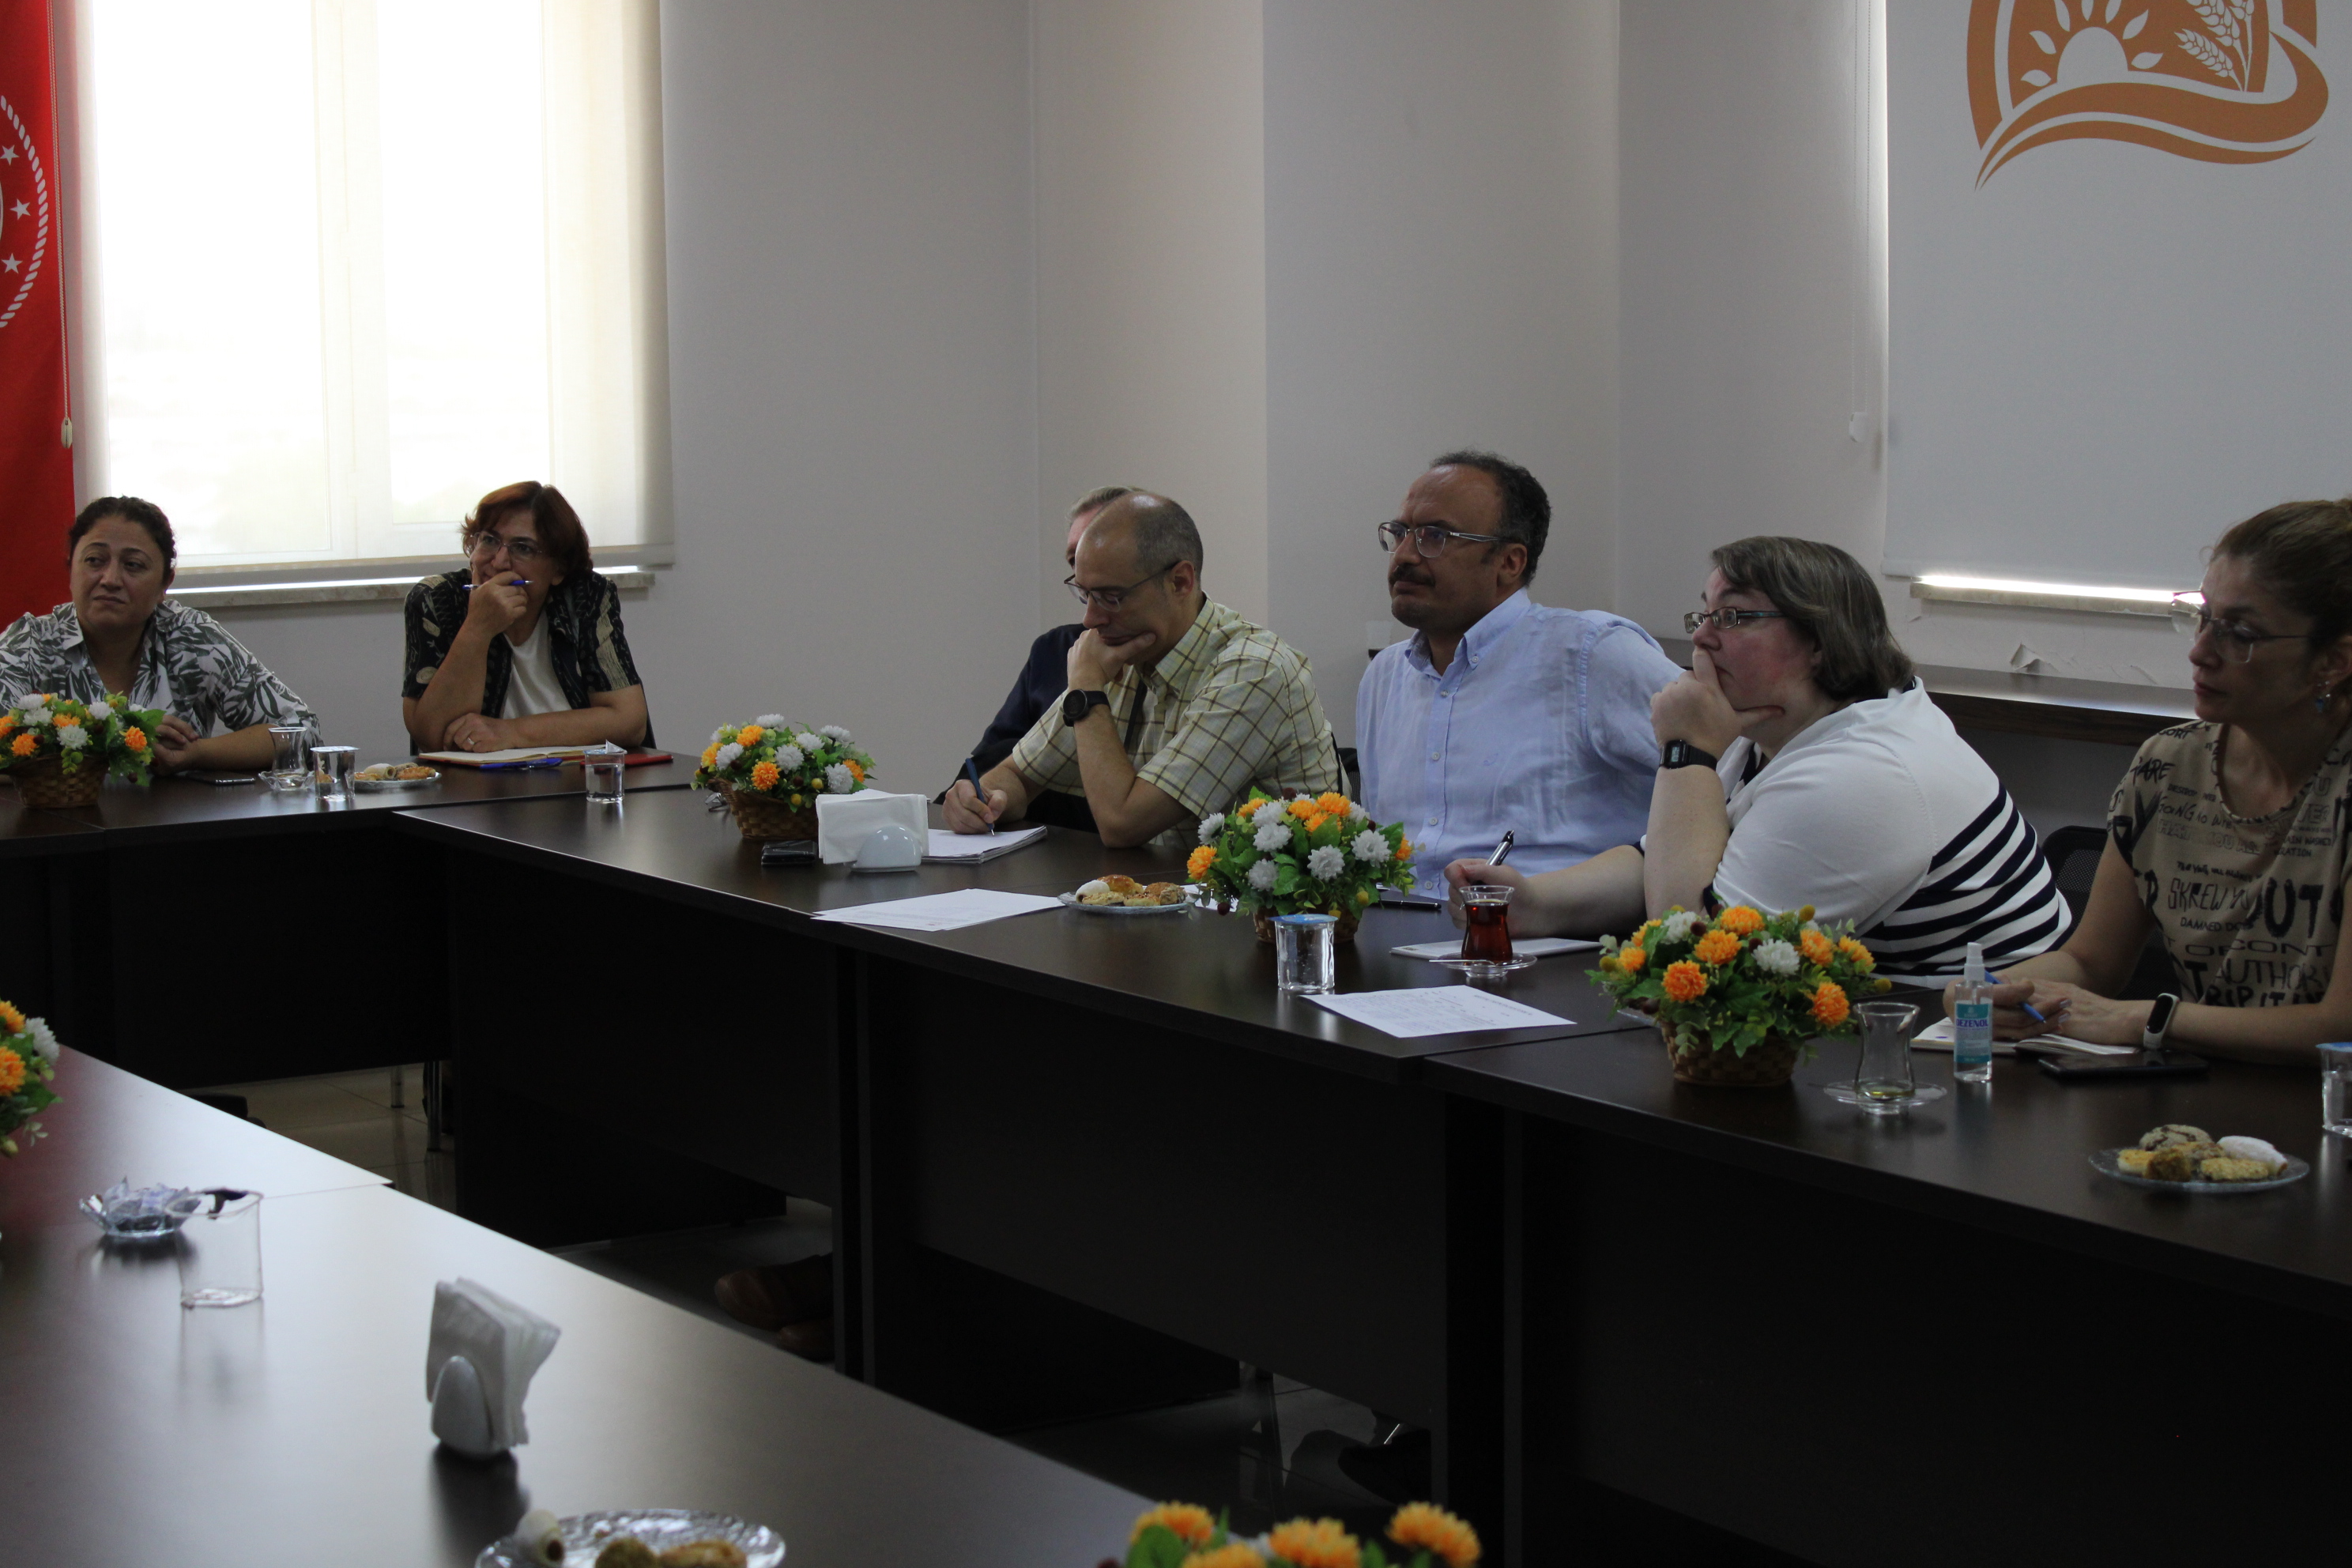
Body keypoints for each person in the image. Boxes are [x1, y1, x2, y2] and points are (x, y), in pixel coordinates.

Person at [1447, 537, 2069, 977]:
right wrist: (1536, 903)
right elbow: (1660, 860)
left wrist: (1686, 753)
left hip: (1982, 1050)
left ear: (1820, 641)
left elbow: (1694, 954)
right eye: (1704, 612)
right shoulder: (1768, 727)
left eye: (1734, 616)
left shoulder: (1866, 770)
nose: (1701, 636)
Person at [1955, 501, 2352, 1062]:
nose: (2200, 651)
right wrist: (1992, 990)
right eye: (2203, 617)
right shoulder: (2168, 766)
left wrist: (2146, 1019)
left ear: (2333, 662)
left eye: (2240, 634)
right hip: (2199, 1092)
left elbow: (2340, 1026)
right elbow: (2091, 962)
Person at [1359, 450, 1683, 889]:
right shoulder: (1384, 677)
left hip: (1551, 927)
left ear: (1510, 562)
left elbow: (1727, 777)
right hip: (1396, 925)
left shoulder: (1591, 655)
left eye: (1435, 536)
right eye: (1400, 533)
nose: (1405, 555)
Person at [944, 491, 1342, 848]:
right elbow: (1016, 777)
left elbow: (1122, 824)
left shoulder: (1254, 671)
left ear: (1180, 582)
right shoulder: (1125, 652)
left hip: (1280, 905)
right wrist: (981, 800)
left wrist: (1086, 690)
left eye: (1111, 597)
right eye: (1085, 594)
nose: (1090, 619)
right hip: (1179, 899)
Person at [0, 496, 317, 772]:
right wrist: (119, 740)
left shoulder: (190, 637)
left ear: (165, 583)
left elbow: (301, 732)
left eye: (133, 565)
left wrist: (196, 754)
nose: (110, 579)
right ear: (71, 568)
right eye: (94, 561)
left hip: (174, 820)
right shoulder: (31, 642)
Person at [402, 482, 650, 754]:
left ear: (559, 568)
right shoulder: (436, 598)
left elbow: (628, 722)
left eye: (523, 548)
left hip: (575, 775)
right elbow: (433, 737)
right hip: (472, 779)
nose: (499, 562)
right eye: (489, 540)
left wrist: (511, 732)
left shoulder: (585, 596)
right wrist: (477, 628)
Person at [954, 484, 1137, 833]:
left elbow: (1125, 817)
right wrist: (972, 798)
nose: (1084, 572)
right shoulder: (1054, 649)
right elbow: (996, 758)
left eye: (1097, 552)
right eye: (1074, 561)